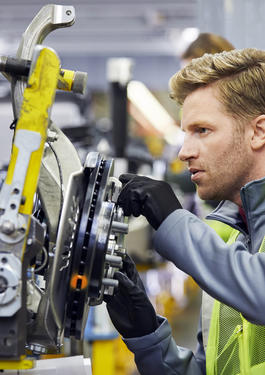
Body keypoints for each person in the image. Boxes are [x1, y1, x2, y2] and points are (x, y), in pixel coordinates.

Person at [105, 47, 265, 375]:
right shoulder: (234, 245)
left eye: (202, 131)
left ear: (258, 132)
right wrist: (146, 333)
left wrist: (173, 221)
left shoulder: (230, 268)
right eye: (185, 133)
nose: (184, 152)